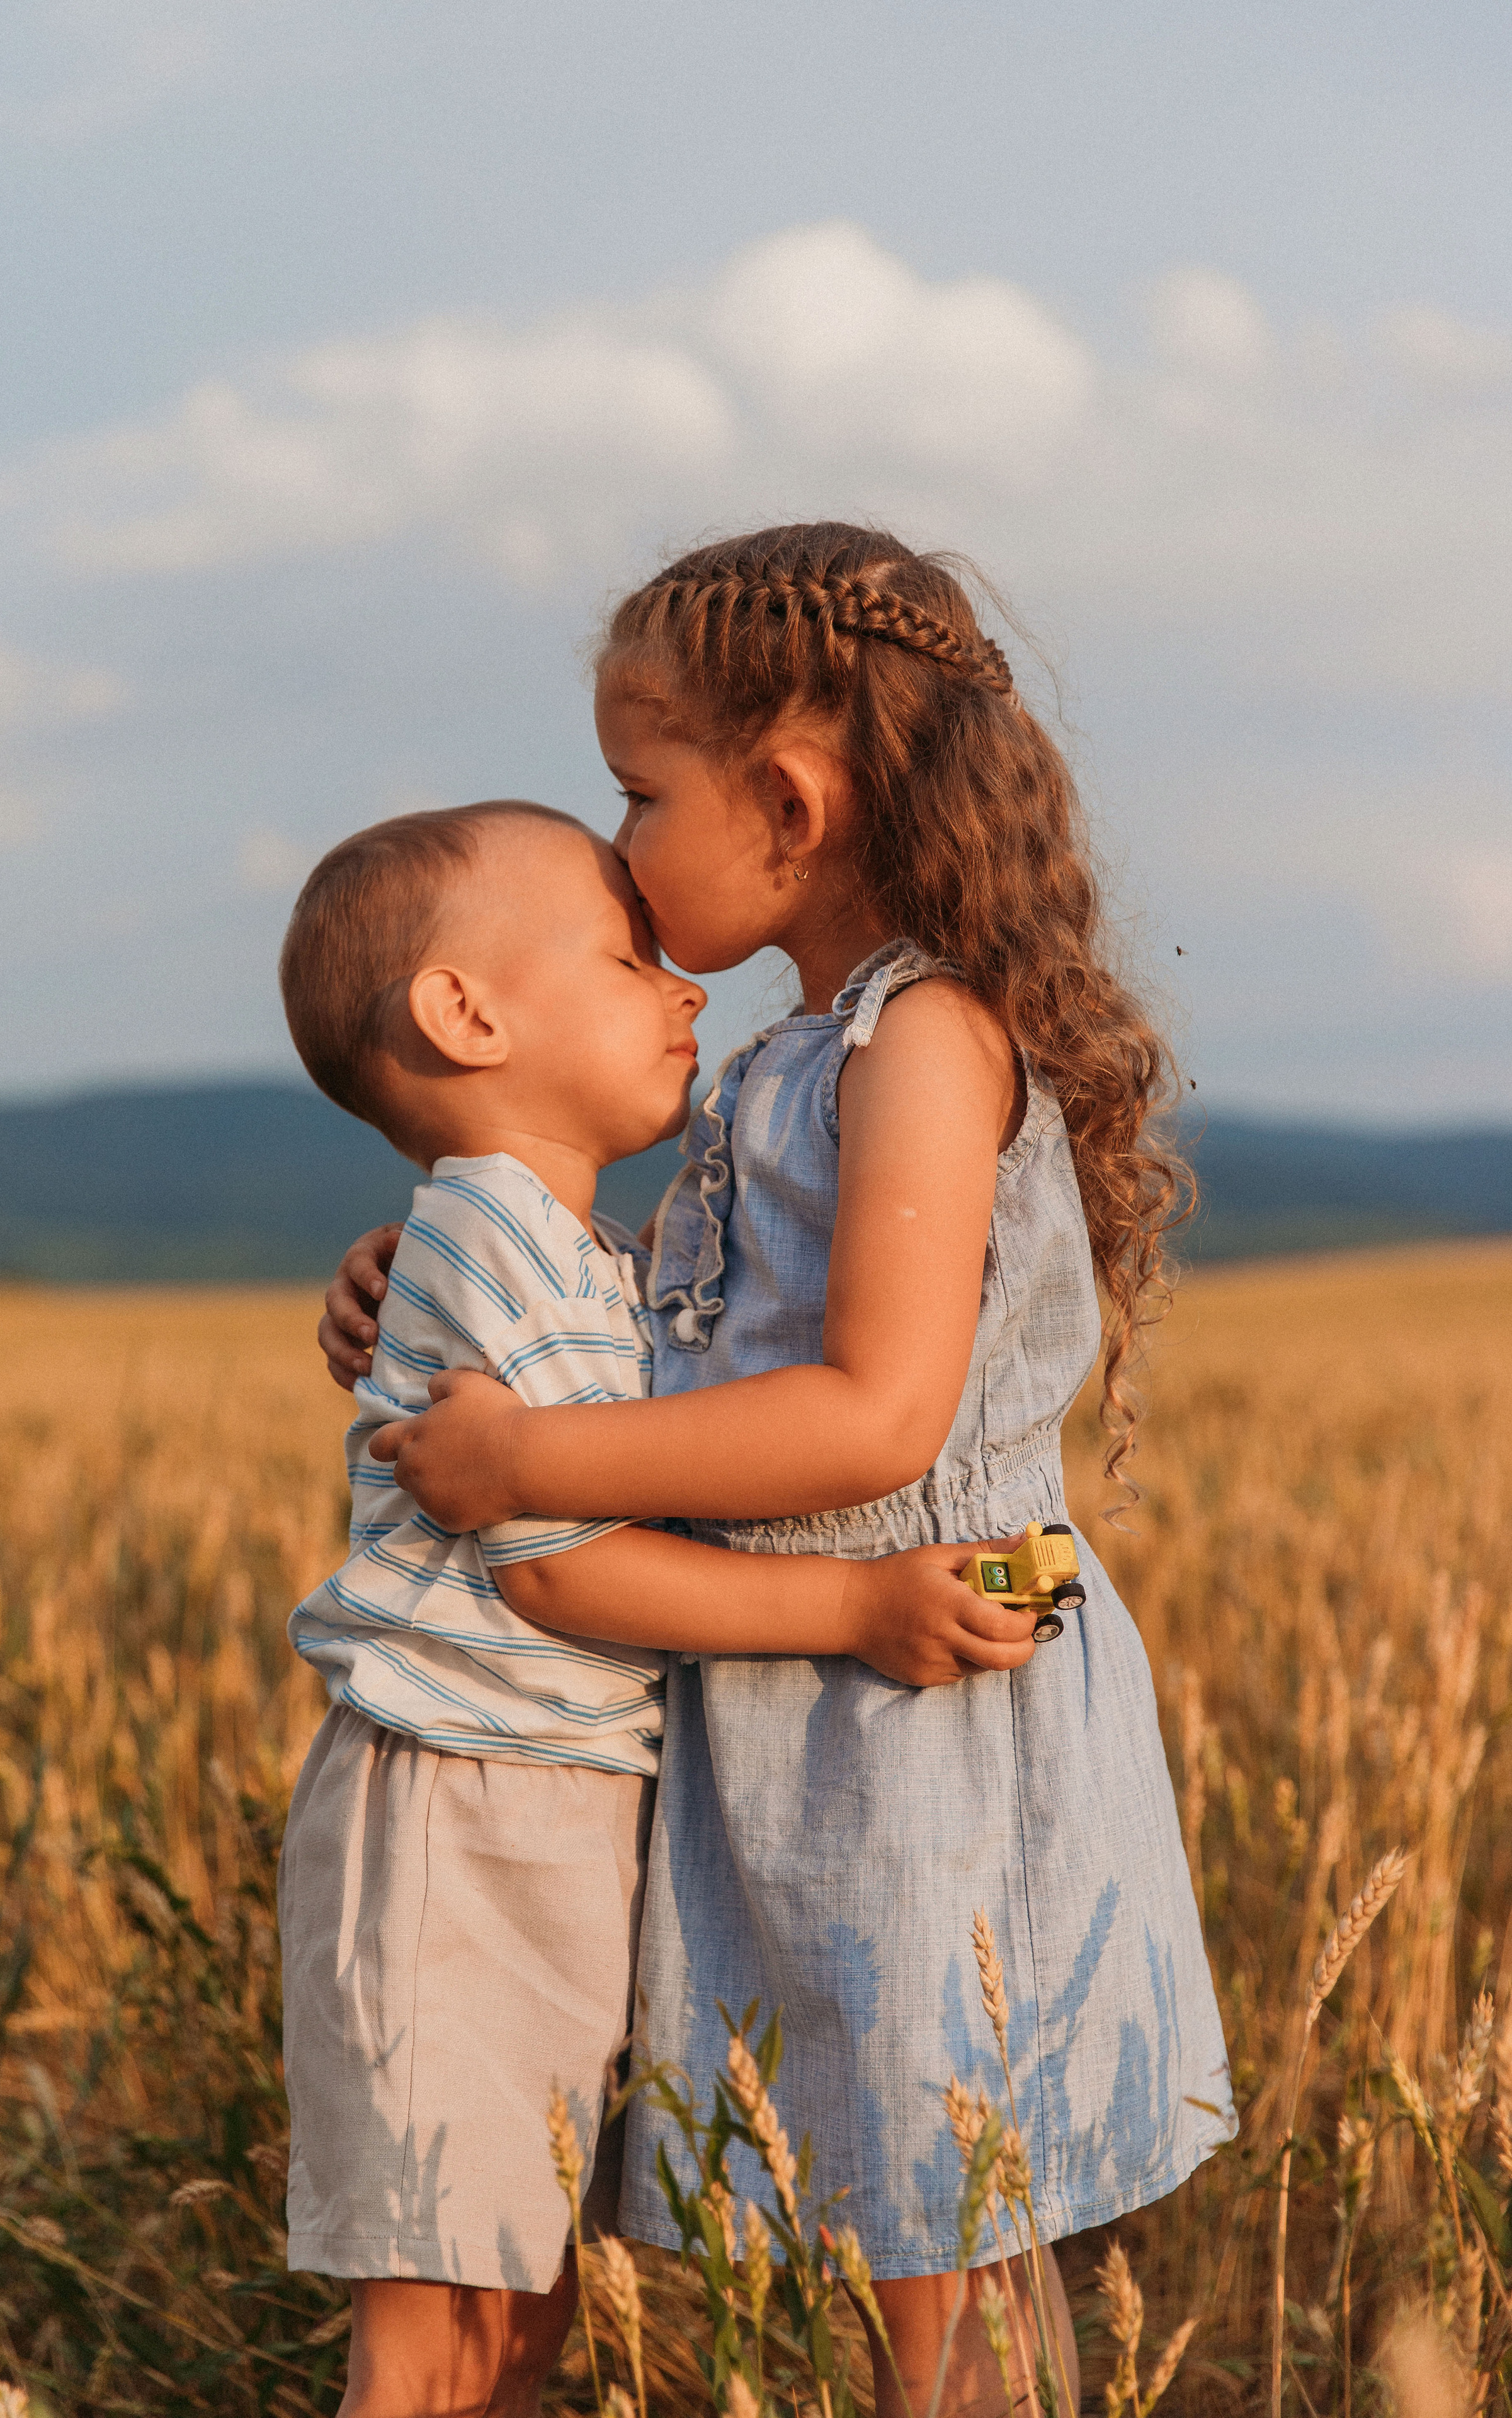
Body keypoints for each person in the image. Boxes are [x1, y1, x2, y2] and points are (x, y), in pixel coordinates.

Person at [322, 525, 1238, 2418]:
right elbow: (696, 1348)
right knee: (898, 2202)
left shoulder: (922, 1039)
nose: (623, 845)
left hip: (918, 1679)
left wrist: (526, 1459)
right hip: (833, 1675)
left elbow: (871, 1417)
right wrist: (449, 1272)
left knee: (943, 2229)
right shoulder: (795, 1056)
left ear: (793, 800)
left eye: (637, 792)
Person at [277, 795, 1040, 2418]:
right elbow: (554, 1562)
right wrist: (851, 1610)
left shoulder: (565, 1247)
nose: (685, 989)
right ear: (467, 1014)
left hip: (543, 1811)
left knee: (513, 2312)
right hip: (457, 1825)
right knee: (440, 2328)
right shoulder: (488, 1239)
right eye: (629, 960)